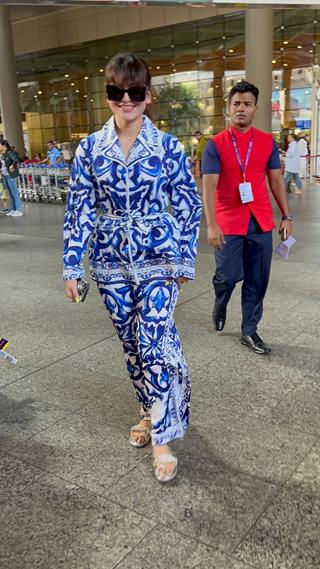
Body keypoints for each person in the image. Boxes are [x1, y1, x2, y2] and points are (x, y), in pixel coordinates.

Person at [63, 53, 202, 482]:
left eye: (135, 91)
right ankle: (152, 410)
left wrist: (184, 260)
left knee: (151, 340)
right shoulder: (89, 149)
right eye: (116, 91)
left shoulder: (167, 147)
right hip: (109, 265)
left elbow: (188, 204)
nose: (126, 100)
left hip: (159, 260)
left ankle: (162, 437)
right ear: (107, 95)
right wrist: (72, 266)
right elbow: (80, 207)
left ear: (148, 96)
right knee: (132, 345)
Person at [202, 80, 292, 355]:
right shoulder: (215, 145)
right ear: (229, 108)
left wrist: (287, 217)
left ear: (255, 109)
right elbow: (209, 186)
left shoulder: (266, 142)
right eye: (236, 104)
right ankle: (221, 301)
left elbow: (276, 181)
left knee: (258, 278)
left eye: (247, 104)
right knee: (227, 277)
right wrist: (212, 225)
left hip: (260, 221)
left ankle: (249, 331)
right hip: (228, 222)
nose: (241, 108)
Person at [0, 139, 23, 217]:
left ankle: (18, 209)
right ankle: (13, 209)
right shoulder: (3, 154)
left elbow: (16, 160)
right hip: (5, 175)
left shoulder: (10, 153)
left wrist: (12, 165)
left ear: (3, 145)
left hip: (11, 175)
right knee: (10, 192)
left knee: (14, 192)